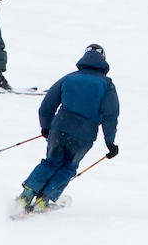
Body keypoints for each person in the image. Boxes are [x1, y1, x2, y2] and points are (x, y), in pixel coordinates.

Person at [17, 43, 119, 213]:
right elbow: (110, 116)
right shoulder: (106, 85)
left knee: (51, 162)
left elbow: (46, 106)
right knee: (68, 167)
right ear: (103, 59)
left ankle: (26, 195)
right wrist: (110, 143)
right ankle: (44, 200)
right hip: (84, 135)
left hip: (60, 127)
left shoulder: (69, 77)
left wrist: (46, 127)